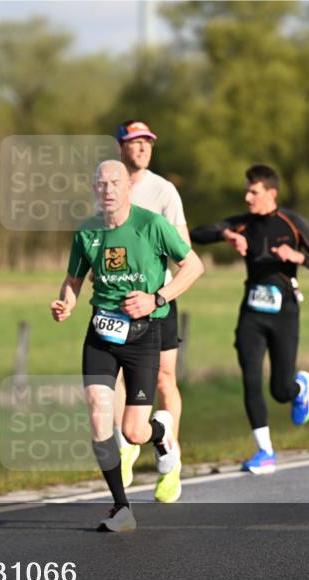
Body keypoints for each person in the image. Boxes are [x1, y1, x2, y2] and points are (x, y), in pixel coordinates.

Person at [51, 160, 204, 532]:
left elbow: (194, 266)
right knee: (98, 414)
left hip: (143, 335)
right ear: (94, 188)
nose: (108, 189)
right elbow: (73, 280)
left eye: (115, 182)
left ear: (128, 188)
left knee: (134, 431)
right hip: (101, 333)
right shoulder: (87, 232)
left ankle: (161, 435)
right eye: (101, 183)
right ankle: (121, 507)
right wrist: (66, 303)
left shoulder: (151, 225)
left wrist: (157, 298)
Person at [190, 164, 309, 474]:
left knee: (280, 390)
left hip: (285, 313)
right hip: (252, 312)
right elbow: (197, 234)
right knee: (250, 378)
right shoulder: (243, 224)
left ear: (271, 193)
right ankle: (265, 451)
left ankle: (299, 388)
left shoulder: (292, 223)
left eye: (253, 192)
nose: (247, 197)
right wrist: (227, 235)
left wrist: (298, 257)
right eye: (246, 191)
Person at [113, 120, 193, 503]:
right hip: (116, 302)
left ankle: (170, 456)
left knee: (163, 379)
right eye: (135, 141)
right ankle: (125, 446)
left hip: (157, 301)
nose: (143, 147)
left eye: (147, 141)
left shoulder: (164, 191)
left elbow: (184, 252)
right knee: (115, 377)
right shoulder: (108, 189)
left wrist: (158, 290)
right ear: (120, 147)